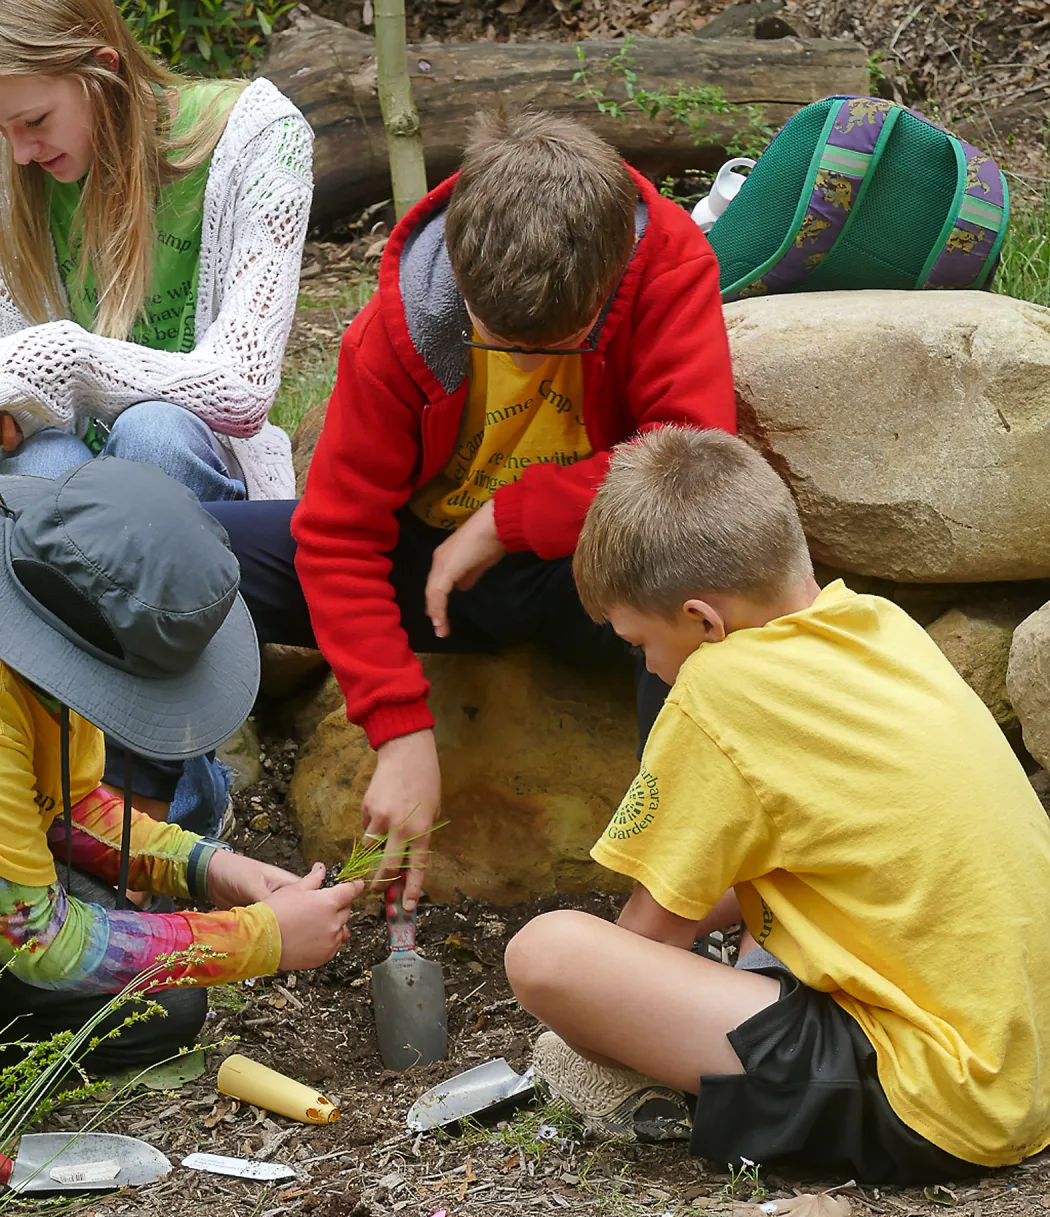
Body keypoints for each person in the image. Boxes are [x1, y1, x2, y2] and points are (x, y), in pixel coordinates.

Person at [209, 108, 735, 909]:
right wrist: (399, 729)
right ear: (458, 268)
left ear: (613, 274)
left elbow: (690, 458)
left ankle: (671, 893)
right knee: (194, 547)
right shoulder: (402, 320)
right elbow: (340, 536)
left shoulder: (664, 259)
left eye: (560, 343)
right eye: (502, 340)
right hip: (426, 575)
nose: (527, 362)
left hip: (585, 575)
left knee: (696, 579)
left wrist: (508, 519)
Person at [503, 425, 1050, 1184]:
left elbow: (650, 938)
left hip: (935, 1100)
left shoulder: (718, 689)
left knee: (549, 953)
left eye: (638, 644)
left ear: (703, 622)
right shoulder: (879, 626)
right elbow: (835, 856)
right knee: (757, 929)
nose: (648, 666)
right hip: (1025, 1060)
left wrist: (601, 1021)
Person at [0, 0, 313, 835]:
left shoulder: (260, 135)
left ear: (102, 68)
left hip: (201, 469)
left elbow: (241, 387)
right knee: (37, 475)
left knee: (149, 441)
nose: (22, 150)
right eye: (7, 131)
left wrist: (62, 360)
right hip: (60, 463)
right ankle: (68, 802)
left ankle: (162, 808)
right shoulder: (13, 163)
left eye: (34, 120)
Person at [0, 457, 362, 1072]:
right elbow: (37, 937)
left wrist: (208, 868)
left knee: (151, 983)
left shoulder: (45, 623)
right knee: (153, 1003)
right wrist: (261, 938)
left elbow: (59, 805)